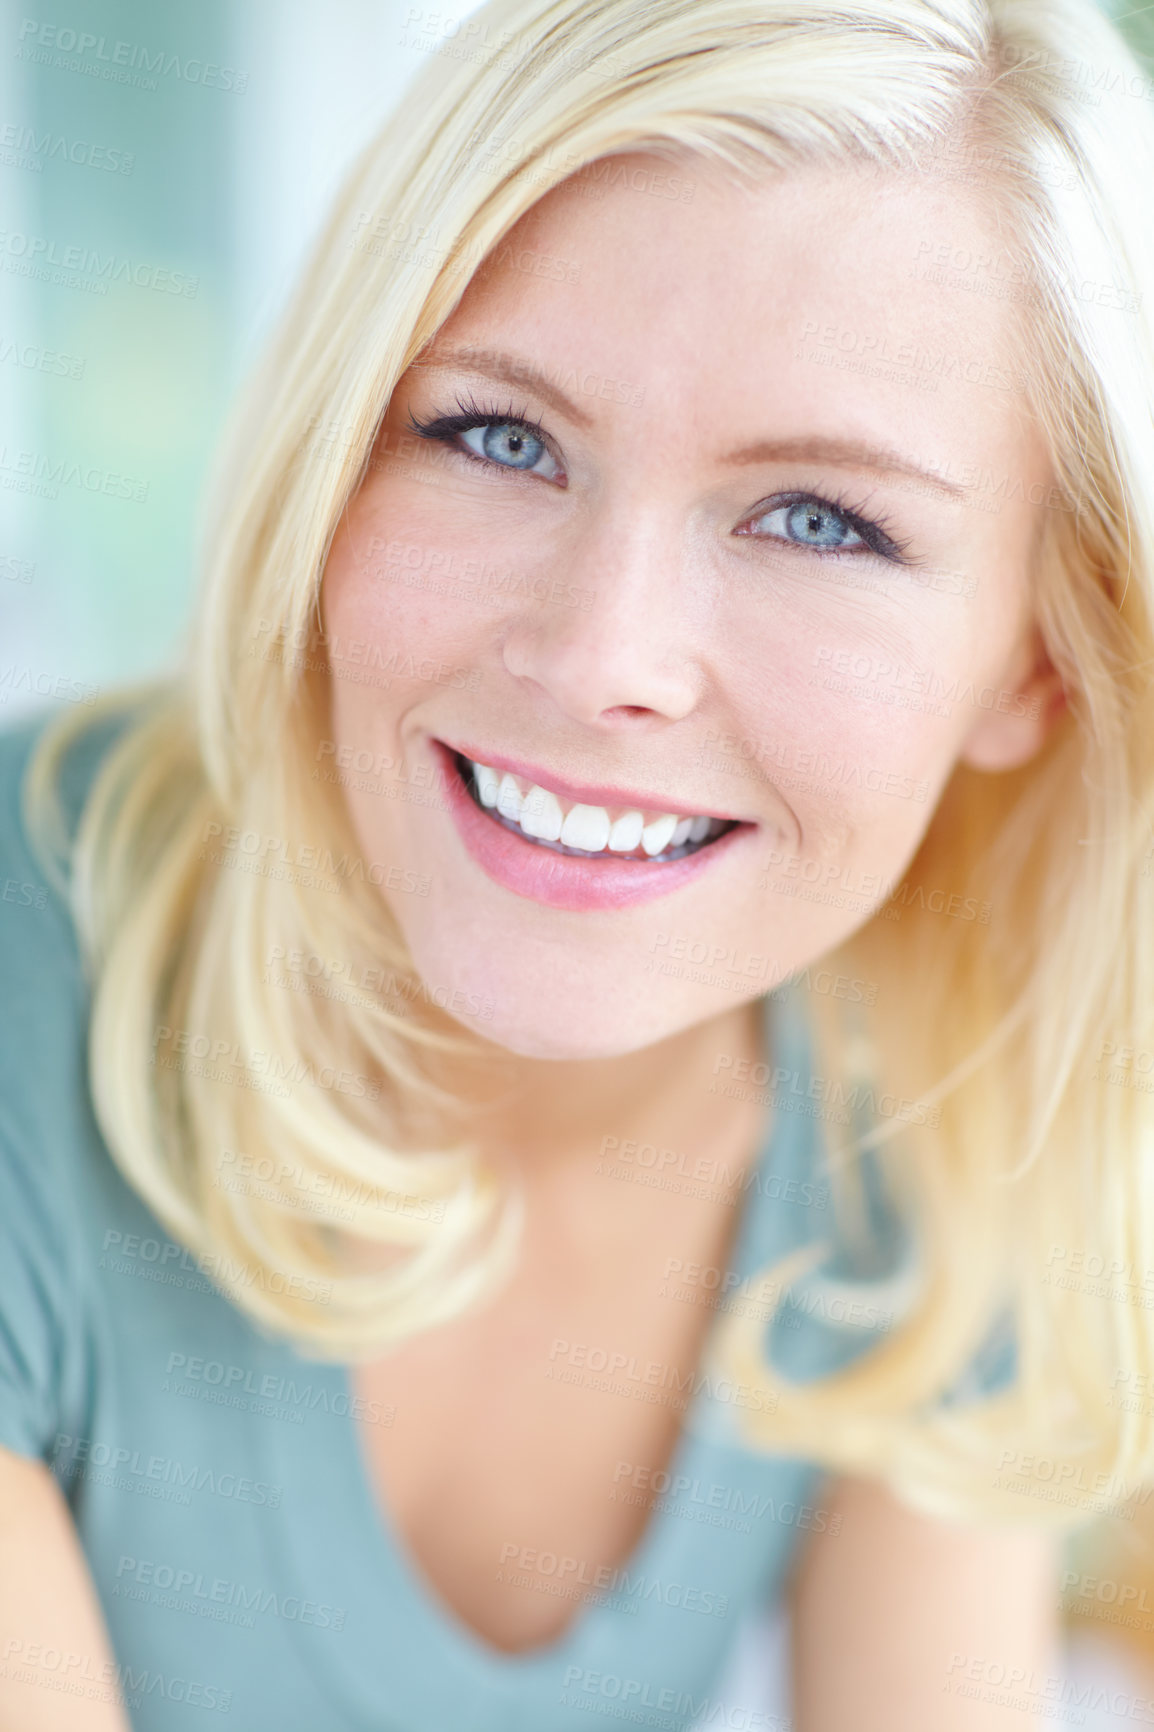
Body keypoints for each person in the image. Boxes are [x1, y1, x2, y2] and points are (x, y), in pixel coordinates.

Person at [3, 0, 1153, 1725]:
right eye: (495, 435)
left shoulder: (919, 1102)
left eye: (821, 520)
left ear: (1036, 663)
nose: (601, 652)